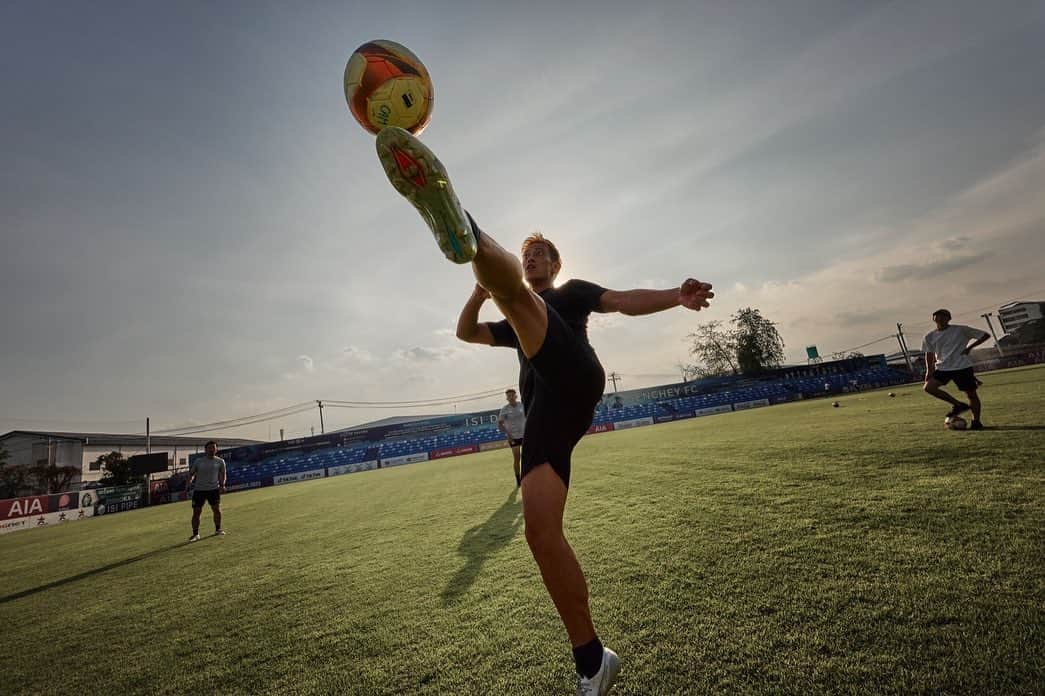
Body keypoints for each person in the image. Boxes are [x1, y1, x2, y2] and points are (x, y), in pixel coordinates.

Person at [375, 126, 714, 695]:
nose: (533, 258)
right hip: (548, 418)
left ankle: (462, 222)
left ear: (554, 264)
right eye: (526, 254)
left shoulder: (570, 291)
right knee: (539, 532)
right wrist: (477, 293)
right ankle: (591, 659)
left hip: (577, 374)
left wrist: (673, 298)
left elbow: (623, 302)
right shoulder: (511, 319)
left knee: (521, 302)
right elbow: (464, 334)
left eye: (539, 254)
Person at [921, 309, 990, 429]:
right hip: (943, 367)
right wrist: (929, 370)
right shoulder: (929, 336)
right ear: (933, 319)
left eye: (943, 317)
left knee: (971, 395)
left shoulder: (960, 330)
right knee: (929, 388)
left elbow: (985, 335)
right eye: (937, 317)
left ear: (949, 318)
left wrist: (970, 348)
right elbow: (929, 354)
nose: (940, 319)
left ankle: (976, 422)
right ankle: (958, 404)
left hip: (962, 366)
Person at [187, 440, 227, 541]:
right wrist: (189, 482)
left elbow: (222, 474)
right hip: (199, 490)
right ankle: (195, 534)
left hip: (213, 489)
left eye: (213, 448)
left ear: (216, 449)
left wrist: (222, 485)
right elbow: (191, 474)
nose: (211, 450)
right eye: (209, 448)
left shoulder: (220, 461)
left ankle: (218, 529)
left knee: (216, 509)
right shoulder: (198, 461)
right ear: (205, 450)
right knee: (196, 512)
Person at [496, 388, 526, 487]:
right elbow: (500, 424)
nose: (511, 397)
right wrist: (508, 434)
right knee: (517, 458)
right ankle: (518, 479)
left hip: (525, 435)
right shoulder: (504, 409)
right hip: (513, 437)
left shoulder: (522, 405)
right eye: (509, 396)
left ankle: (527, 477)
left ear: (516, 396)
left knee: (527, 457)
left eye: (512, 395)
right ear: (507, 398)